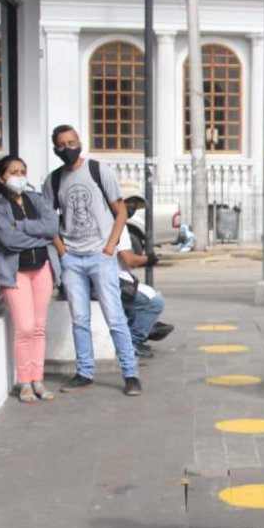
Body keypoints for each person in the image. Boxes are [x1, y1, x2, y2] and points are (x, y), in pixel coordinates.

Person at [43, 124, 141, 396]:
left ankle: (130, 374)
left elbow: (120, 211)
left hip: (101, 256)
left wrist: (110, 247)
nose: (68, 148)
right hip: (72, 258)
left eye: (72, 142)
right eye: (62, 145)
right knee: (79, 319)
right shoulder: (53, 181)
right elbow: (49, 221)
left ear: (80, 142)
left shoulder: (99, 171)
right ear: (55, 149)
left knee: (115, 317)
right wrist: (62, 251)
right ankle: (84, 372)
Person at [0, 155, 61, 403]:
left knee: (39, 327)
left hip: (42, 268)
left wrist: (22, 227)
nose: (18, 177)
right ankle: (24, 380)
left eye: (22, 172)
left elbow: (52, 228)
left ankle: (37, 379)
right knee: (25, 327)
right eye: (13, 172)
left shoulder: (35, 199)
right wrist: (39, 234)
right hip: (15, 271)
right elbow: (8, 240)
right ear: (1, 177)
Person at [114, 184, 166, 359]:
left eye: (135, 204)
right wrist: (148, 259)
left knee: (144, 296)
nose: (132, 208)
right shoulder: (117, 224)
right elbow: (128, 259)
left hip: (119, 277)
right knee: (154, 302)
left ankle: (138, 332)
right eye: (129, 202)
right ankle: (132, 342)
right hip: (114, 279)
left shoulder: (117, 223)